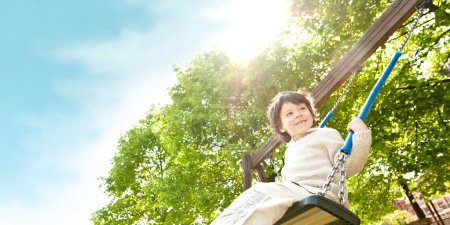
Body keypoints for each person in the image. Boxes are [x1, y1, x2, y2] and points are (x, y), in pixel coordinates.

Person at [211, 90, 372, 225]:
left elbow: (349, 167)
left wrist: (361, 134)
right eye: (289, 113)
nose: (298, 114)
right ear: (281, 127)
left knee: (260, 192)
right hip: (295, 196)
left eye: (302, 108)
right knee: (263, 206)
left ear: (311, 112)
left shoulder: (325, 134)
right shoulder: (290, 149)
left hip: (317, 193)